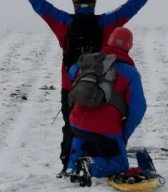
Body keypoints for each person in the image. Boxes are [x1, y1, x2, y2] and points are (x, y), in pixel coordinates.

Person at [12, 0, 163, 174]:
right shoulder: (106, 23)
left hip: (71, 86)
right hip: (102, 87)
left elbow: (41, 6)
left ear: (74, 2)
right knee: (99, 120)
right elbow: (131, 7)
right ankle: (97, 161)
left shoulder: (63, 22)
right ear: (94, 1)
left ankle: (68, 166)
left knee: (72, 125)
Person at [64, 26, 149, 183]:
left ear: (109, 41)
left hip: (76, 123)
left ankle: (72, 166)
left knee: (81, 138)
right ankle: (90, 167)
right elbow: (139, 108)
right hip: (105, 130)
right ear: (129, 46)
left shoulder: (90, 61)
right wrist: (123, 135)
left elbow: (71, 73)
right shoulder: (130, 72)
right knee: (119, 166)